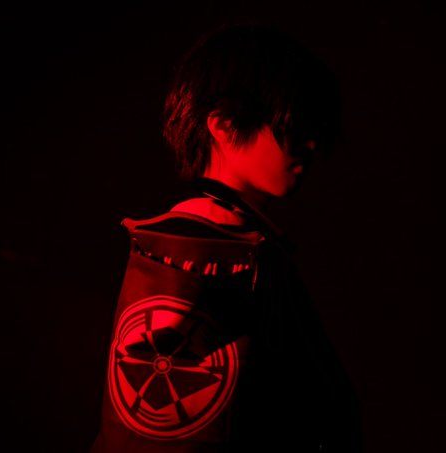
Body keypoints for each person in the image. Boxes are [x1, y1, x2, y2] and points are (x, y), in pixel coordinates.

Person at [91, 22, 363, 452]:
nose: (310, 145)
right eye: (292, 125)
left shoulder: (239, 244)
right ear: (223, 124)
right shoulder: (201, 250)